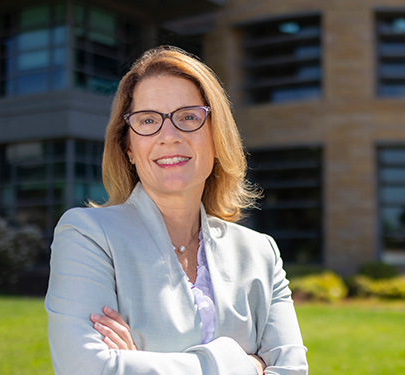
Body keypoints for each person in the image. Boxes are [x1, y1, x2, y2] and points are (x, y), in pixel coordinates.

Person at [45, 46, 309, 375]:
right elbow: (86, 370)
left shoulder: (260, 252)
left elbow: (293, 371)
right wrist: (246, 365)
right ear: (128, 147)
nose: (168, 136)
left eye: (188, 117)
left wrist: (139, 362)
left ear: (216, 136)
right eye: (147, 120)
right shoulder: (88, 235)